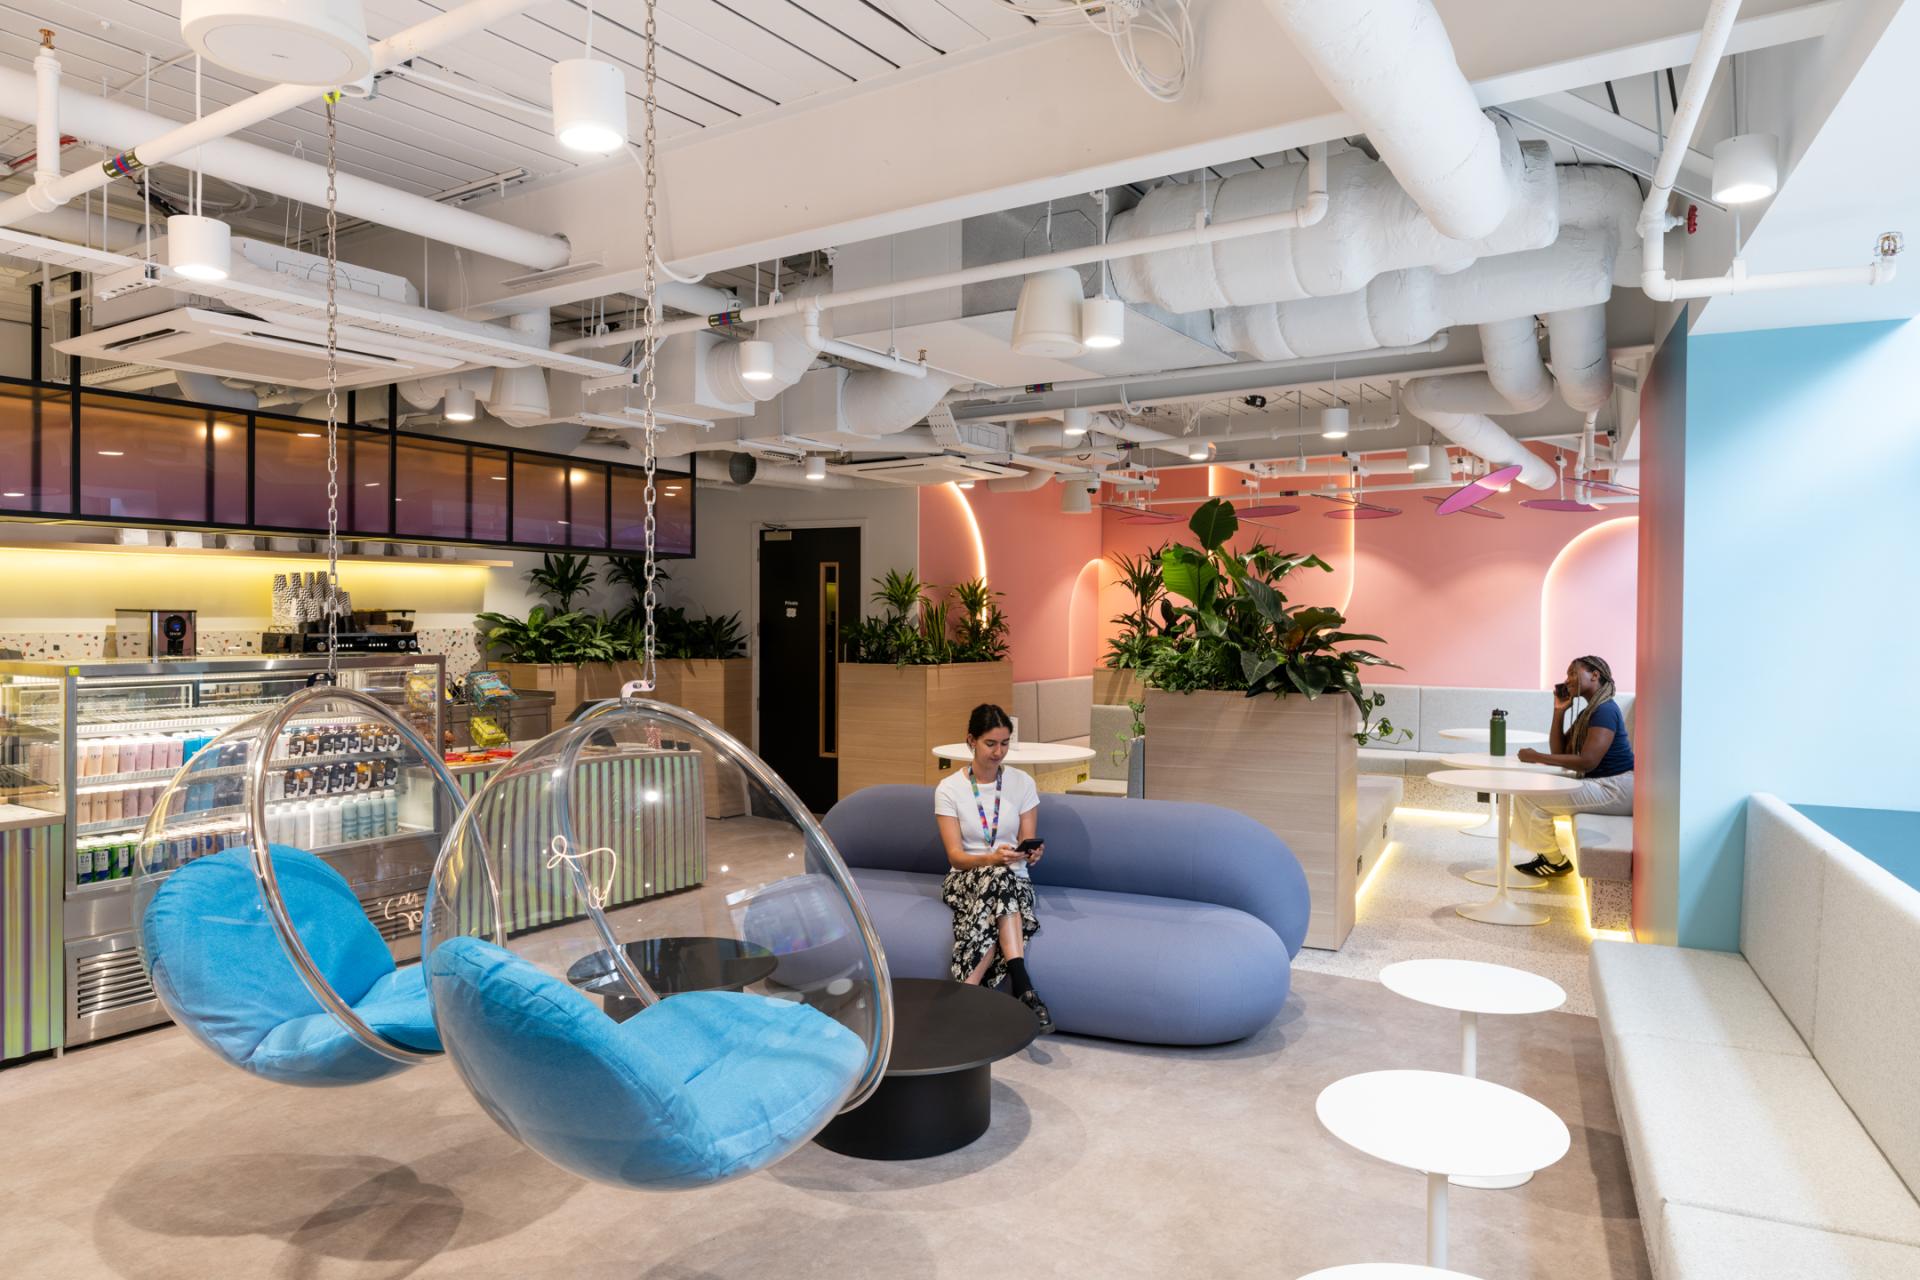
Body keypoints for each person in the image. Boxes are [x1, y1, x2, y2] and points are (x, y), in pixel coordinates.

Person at [933, 703, 1053, 1031]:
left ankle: (965, 994)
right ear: (971, 740)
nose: (999, 752)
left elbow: (1027, 840)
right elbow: (955, 856)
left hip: (1014, 879)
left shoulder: (1022, 782)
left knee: (1002, 882)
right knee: (999, 878)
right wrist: (991, 859)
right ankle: (1024, 986)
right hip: (966, 878)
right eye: (991, 743)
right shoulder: (949, 789)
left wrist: (1031, 854)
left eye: (1005, 743)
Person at [1510, 655, 1634, 877]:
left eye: (1573, 673)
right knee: (1528, 791)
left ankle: (1554, 861)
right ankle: (1550, 858)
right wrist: (1559, 711)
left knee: (1529, 797)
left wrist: (1536, 756)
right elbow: (1559, 752)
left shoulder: (1605, 710)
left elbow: (1588, 761)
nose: (1567, 680)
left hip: (1616, 788)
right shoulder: (1590, 711)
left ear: (1595, 675)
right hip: (1605, 784)